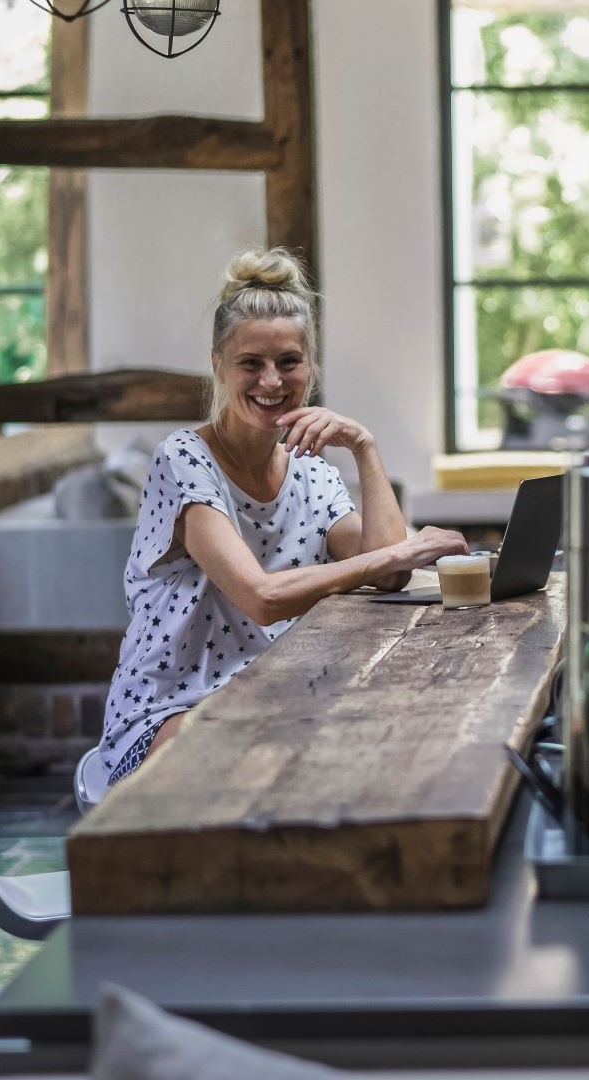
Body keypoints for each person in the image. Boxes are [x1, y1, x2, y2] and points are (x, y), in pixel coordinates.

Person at [99, 248, 467, 784]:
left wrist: (363, 445)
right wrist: (396, 551)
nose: (272, 381)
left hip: (276, 705)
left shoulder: (310, 471)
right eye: (252, 363)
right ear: (218, 365)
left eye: (288, 362)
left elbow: (390, 572)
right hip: (169, 713)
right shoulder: (183, 460)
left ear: (309, 368)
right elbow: (263, 598)